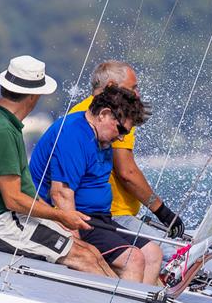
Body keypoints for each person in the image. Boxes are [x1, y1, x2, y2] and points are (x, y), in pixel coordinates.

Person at [0, 55, 115, 278]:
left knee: (90, 252)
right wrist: (61, 216)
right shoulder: (1, 130)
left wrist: (56, 218)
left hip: (14, 220)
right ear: (34, 96)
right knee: (85, 258)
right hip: (2, 226)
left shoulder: (0, 122)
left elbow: (25, 193)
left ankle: (126, 300)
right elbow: (13, 199)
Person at [29, 85, 156, 284]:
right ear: (104, 114)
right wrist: (78, 248)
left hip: (99, 219)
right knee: (134, 259)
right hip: (73, 218)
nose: (121, 137)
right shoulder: (73, 133)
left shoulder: (101, 135)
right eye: (120, 129)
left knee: (152, 253)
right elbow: (61, 194)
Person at [70, 61, 185, 260]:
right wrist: (162, 212)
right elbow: (127, 173)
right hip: (112, 214)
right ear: (112, 87)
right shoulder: (112, 117)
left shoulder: (81, 110)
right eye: (133, 88)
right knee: (172, 255)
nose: (138, 94)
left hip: (103, 213)